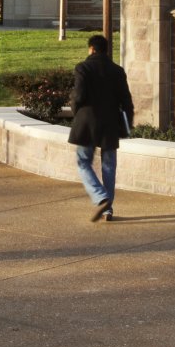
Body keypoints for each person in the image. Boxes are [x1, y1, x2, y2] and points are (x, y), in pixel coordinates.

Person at [68, 34, 134, 222]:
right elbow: (127, 101)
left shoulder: (83, 68)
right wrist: (127, 125)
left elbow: (78, 95)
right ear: (105, 50)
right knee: (109, 166)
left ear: (91, 49)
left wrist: (75, 111)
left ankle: (100, 196)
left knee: (83, 162)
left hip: (87, 123)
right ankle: (107, 209)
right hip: (110, 123)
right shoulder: (117, 71)